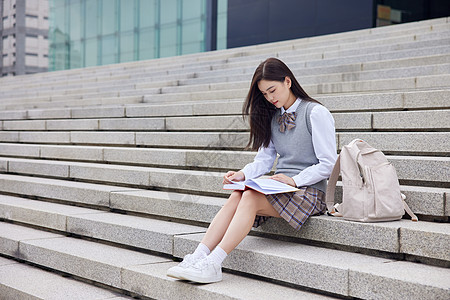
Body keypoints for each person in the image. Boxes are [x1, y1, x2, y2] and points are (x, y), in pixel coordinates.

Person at [166, 57, 337, 283]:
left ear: (288, 81)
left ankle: (214, 263)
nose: (270, 98)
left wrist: (295, 180)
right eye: (265, 94)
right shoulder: (272, 117)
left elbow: (329, 164)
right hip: (280, 187)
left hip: (309, 192)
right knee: (239, 192)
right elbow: (265, 159)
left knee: (250, 197)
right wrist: (243, 174)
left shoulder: (315, 112)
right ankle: (198, 256)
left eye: (272, 90)